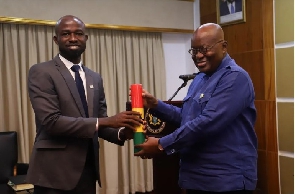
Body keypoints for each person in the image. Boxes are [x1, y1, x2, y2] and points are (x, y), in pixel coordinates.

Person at [134, 23, 257, 194]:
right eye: (194, 50)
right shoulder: (200, 79)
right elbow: (187, 118)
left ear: (224, 47)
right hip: (195, 178)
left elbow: (207, 123)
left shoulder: (235, 77)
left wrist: (162, 144)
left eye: (205, 49)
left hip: (226, 181)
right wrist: (155, 105)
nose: (198, 55)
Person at [27, 15, 143, 194]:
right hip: (53, 174)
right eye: (66, 34)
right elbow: (51, 122)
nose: (73, 38)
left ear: (86, 39)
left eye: (78, 33)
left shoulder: (94, 77)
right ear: (56, 39)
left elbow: (101, 121)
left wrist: (123, 131)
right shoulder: (41, 72)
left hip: (87, 171)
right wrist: (108, 121)